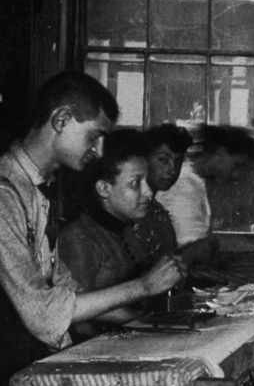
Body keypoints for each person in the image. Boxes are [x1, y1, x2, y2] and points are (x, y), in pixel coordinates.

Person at [0, 72, 186, 386]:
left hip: (15, 351)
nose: (98, 150)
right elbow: (45, 316)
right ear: (62, 120)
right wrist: (143, 287)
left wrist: (144, 323)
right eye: (94, 136)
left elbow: (67, 292)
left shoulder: (35, 190)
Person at [57, 129, 183, 340]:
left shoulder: (124, 231)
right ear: (104, 189)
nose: (148, 193)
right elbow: (74, 313)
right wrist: (143, 318)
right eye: (135, 184)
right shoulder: (81, 237)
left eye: (147, 183)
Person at [155, 124, 254, 265]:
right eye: (237, 165)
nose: (236, 174)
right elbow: (190, 247)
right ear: (220, 153)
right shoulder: (185, 184)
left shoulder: (196, 183)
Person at [130, 124, 192, 265]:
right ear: (143, 159)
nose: (172, 169)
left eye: (178, 162)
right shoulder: (131, 210)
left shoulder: (158, 213)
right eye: (163, 160)